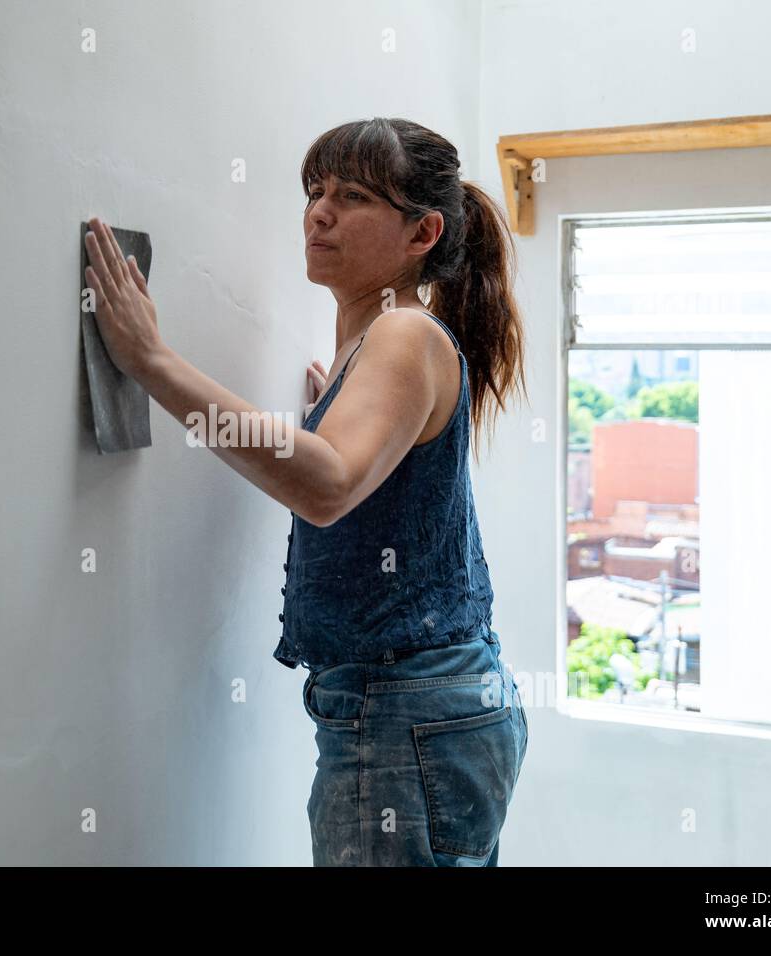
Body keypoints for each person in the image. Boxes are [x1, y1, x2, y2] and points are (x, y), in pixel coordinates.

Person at [82, 116, 529, 866]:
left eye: (352, 196)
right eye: (316, 190)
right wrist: (332, 413)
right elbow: (353, 464)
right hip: (430, 711)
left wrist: (153, 362)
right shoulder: (383, 341)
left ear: (421, 234)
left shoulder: (404, 335)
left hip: (404, 714)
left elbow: (326, 485)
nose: (319, 211)